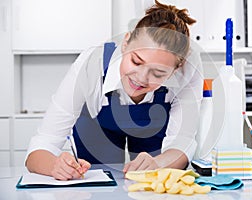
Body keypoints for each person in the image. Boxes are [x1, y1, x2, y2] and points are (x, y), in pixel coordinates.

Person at [25, 0, 203, 180]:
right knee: (96, 182)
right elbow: (41, 145)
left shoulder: (189, 71)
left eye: (158, 73)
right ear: (126, 42)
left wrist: (159, 163)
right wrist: (55, 166)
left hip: (155, 125)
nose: (141, 78)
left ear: (176, 69)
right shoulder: (90, 66)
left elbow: (183, 142)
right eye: (136, 61)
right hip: (96, 127)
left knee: (150, 180)